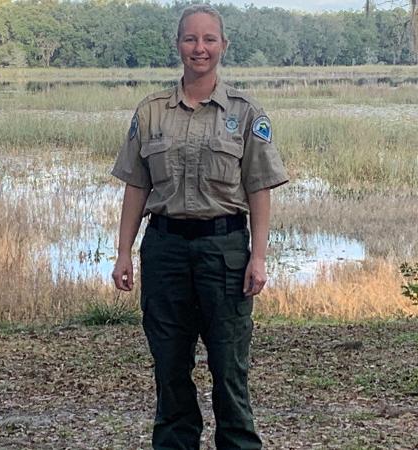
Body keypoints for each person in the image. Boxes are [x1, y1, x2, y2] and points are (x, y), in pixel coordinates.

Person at [111, 4, 288, 449]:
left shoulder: (247, 113)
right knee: (170, 368)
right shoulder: (151, 111)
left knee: (229, 369)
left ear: (224, 46)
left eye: (209, 39)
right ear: (178, 46)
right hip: (165, 249)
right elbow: (136, 185)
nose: (200, 48)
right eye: (191, 39)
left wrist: (259, 257)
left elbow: (259, 187)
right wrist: (122, 252)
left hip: (224, 250)